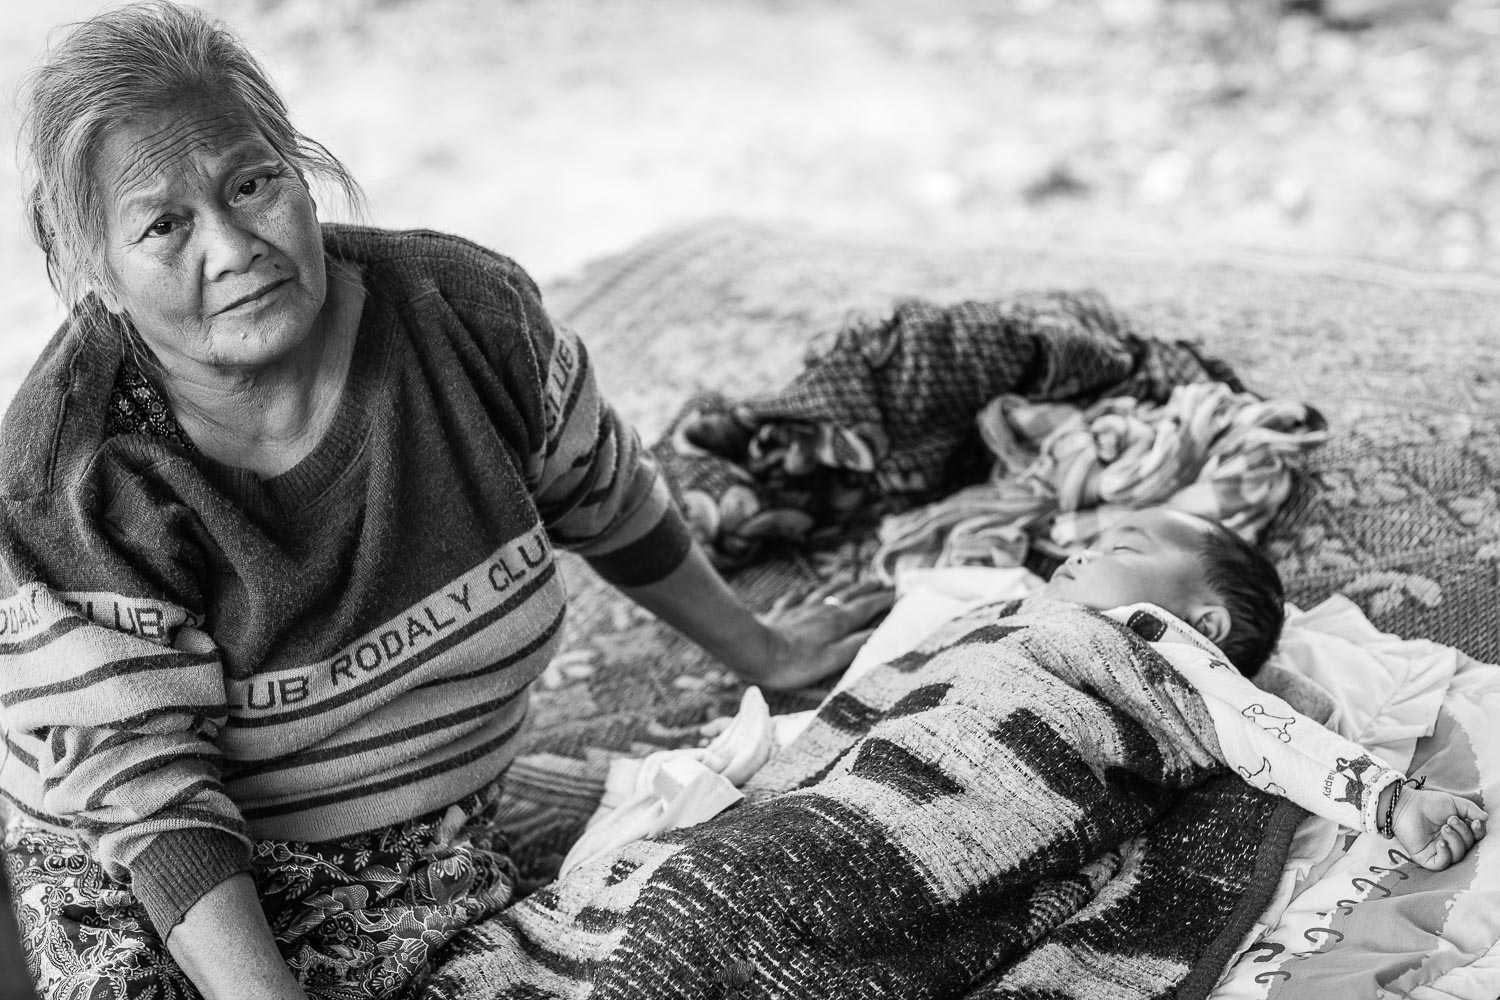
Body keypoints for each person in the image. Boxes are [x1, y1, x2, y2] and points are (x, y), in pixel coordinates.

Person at [0, 4, 890, 999]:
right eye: (165, 225)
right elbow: (151, 802)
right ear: (98, 274)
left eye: (253, 183)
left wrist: (763, 651)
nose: (233, 244)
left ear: (302, 171)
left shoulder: (465, 315)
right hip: (162, 895)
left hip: (432, 865)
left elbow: (598, 486)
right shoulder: (76, 477)